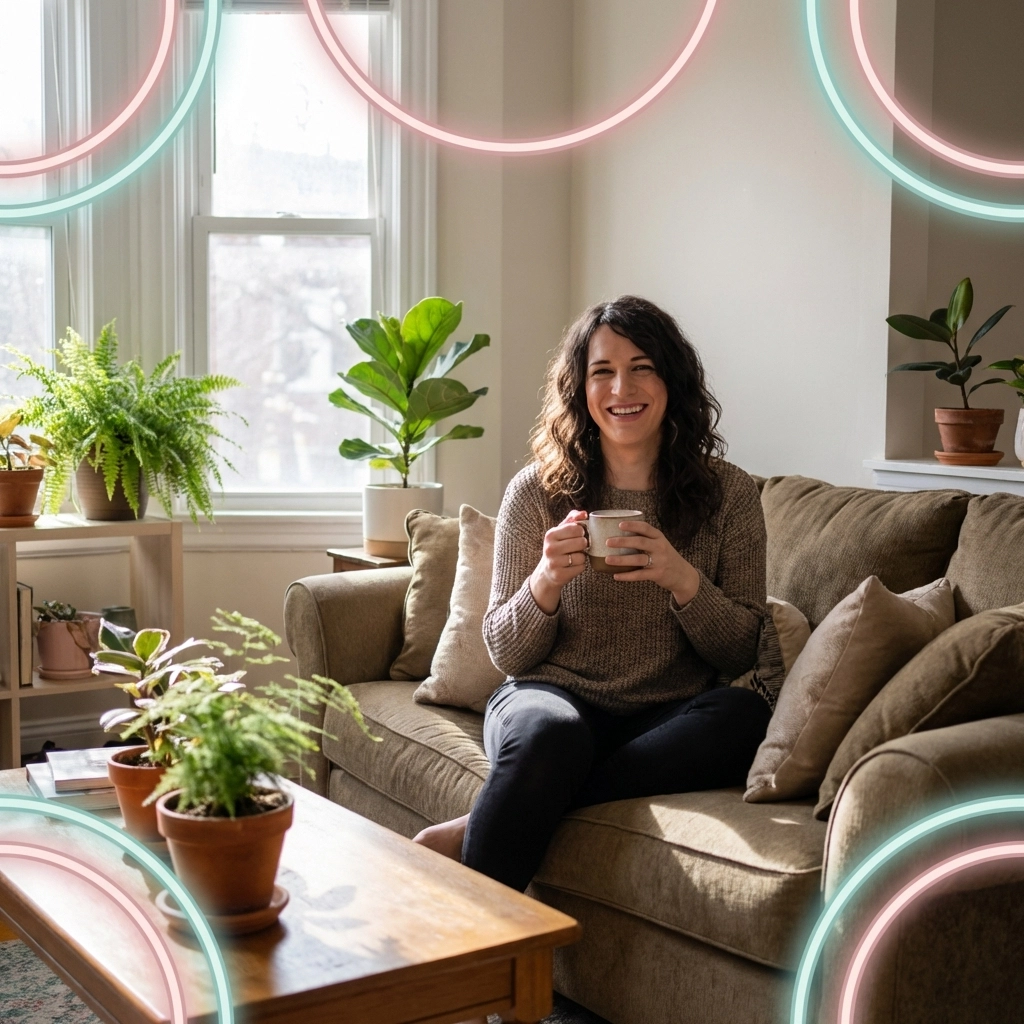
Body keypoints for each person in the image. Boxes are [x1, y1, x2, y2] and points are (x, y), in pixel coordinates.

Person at [413, 295, 777, 895]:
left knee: (743, 718)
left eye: (642, 367)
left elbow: (740, 651)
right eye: (602, 371)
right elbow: (507, 653)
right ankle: (479, 948)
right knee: (552, 737)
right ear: (580, 389)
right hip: (551, 700)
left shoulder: (729, 496)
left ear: (672, 380)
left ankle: (481, 822)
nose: (621, 388)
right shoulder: (536, 491)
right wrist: (545, 582)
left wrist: (681, 578)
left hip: (667, 717)